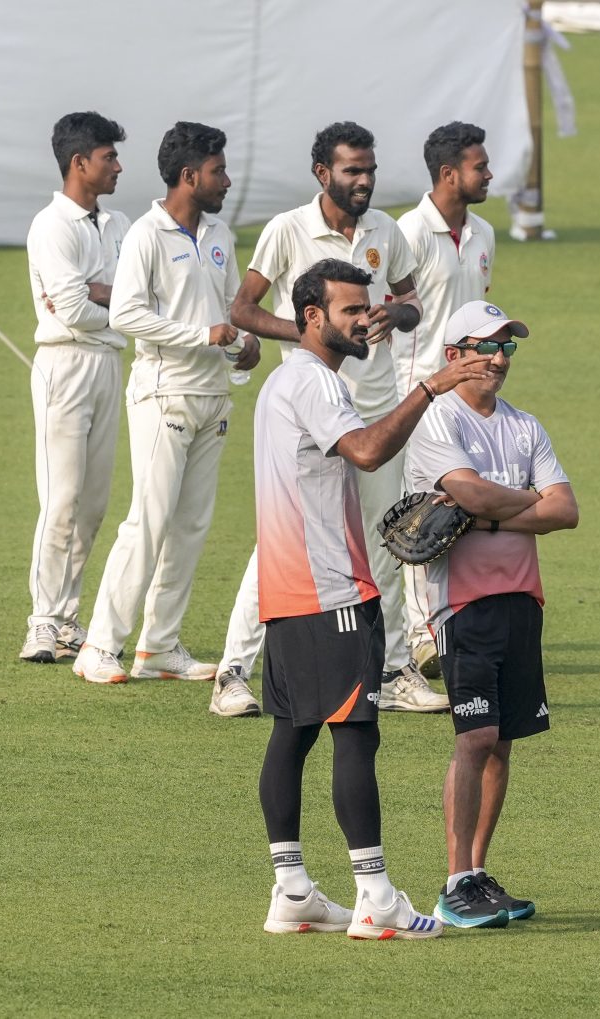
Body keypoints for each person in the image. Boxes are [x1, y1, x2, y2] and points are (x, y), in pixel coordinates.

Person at [256, 259, 495, 938]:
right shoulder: (315, 381)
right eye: (351, 309)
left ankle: (293, 888)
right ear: (312, 317)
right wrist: (431, 386)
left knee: (293, 730)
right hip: (330, 588)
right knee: (356, 733)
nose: (367, 318)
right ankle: (376, 898)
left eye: (367, 307)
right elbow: (363, 451)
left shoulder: (283, 382)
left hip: (287, 587)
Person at [210, 121, 448, 719]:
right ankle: (233, 672)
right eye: (352, 171)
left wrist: (396, 316)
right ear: (323, 173)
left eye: (369, 169)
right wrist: (318, 336)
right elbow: (242, 307)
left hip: (372, 409)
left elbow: (413, 300)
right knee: (282, 543)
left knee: (387, 537)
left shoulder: (386, 231)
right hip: (309, 412)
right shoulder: (288, 229)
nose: (364, 180)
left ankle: (394, 671)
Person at [408, 299, 579, 928]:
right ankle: (454, 883)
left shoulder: (525, 425)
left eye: (507, 347)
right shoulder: (436, 423)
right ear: (453, 356)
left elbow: (566, 510)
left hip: (522, 600)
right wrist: (520, 502)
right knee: (474, 736)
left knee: (503, 742)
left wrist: (487, 514)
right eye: (487, 346)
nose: (499, 359)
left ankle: (478, 875)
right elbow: (469, 490)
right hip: (464, 603)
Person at [72, 122, 260, 684]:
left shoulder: (221, 232)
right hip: (163, 395)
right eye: (217, 171)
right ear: (188, 175)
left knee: (191, 525)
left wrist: (243, 348)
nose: (226, 180)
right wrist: (203, 336)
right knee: (147, 523)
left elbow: (231, 312)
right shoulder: (147, 234)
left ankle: (159, 647)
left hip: (213, 396)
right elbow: (127, 314)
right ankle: (99, 647)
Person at [21, 112, 130, 664]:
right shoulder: (51, 224)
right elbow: (70, 309)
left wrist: (101, 294)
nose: (117, 166)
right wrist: (116, 302)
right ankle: (41, 620)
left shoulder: (119, 224)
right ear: (78, 162)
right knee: (61, 498)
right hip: (63, 363)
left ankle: (67, 618)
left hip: (108, 364)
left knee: (93, 503)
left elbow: (139, 297)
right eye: (108, 157)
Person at [394, 121, 496, 681]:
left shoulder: (482, 233)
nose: (489, 174)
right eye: (481, 166)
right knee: (421, 515)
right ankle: (420, 635)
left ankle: (438, 626)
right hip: (418, 396)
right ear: (448, 173)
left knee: (454, 515)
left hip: (467, 400)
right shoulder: (405, 233)